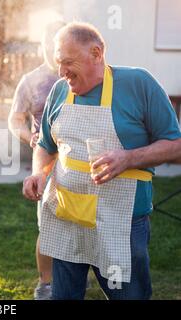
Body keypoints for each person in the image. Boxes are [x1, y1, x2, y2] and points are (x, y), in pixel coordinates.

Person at [22, 22, 181, 300]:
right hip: (68, 219)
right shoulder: (60, 90)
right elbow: (45, 145)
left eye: (68, 62)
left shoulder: (138, 84)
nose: (61, 72)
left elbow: (176, 144)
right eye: (59, 63)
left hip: (120, 223)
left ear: (96, 53)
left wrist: (128, 158)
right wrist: (38, 173)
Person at [8, 20, 65, 300]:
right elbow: (15, 119)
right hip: (45, 160)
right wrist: (28, 137)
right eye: (45, 43)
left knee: (83, 220)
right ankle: (46, 284)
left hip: (80, 159)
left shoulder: (81, 74)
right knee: (48, 224)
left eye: (54, 43)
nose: (48, 49)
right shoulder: (31, 80)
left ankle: (73, 277)